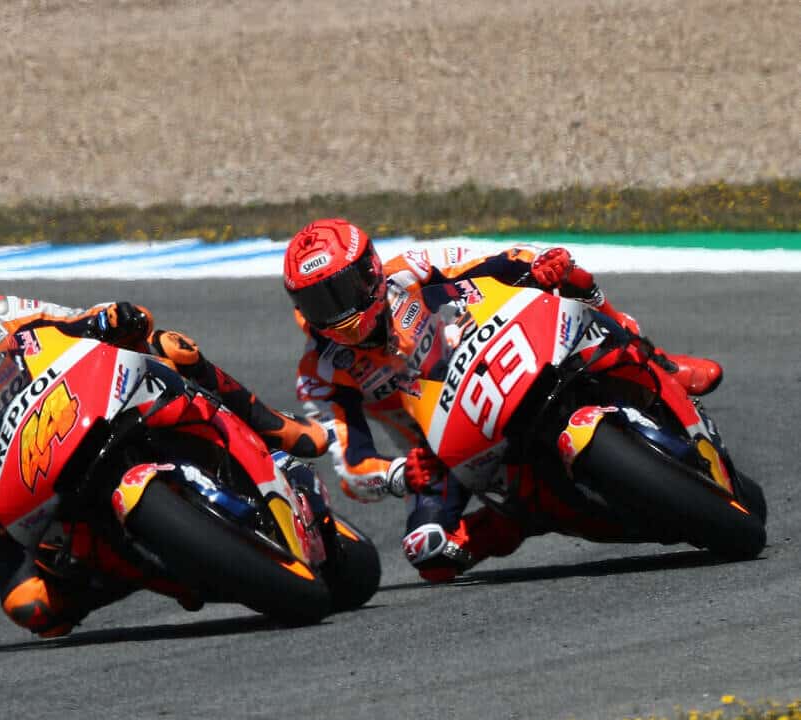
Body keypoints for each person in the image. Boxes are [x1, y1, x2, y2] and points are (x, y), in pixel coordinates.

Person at [0, 265, 328, 637]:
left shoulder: (3, 312)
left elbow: (74, 320)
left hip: (87, 405)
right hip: (26, 484)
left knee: (170, 347)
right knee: (30, 606)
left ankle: (272, 427)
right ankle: (146, 569)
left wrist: (110, 319)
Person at [282, 218, 723, 582]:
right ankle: (520, 517)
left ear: (370, 272)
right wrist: (399, 474)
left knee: (570, 280)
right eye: (318, 301)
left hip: (493, 354)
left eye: (341, 291)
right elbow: (351, 466)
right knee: (429, 552)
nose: (336, 312)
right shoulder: (320, 370)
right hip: (441, 450)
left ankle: (658, 362)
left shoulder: (410, 269)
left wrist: (540, 265)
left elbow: (496, 259)